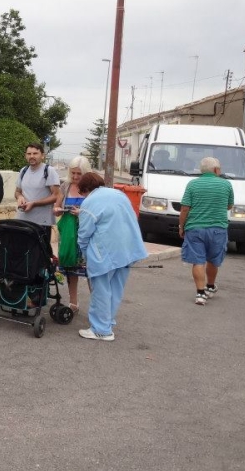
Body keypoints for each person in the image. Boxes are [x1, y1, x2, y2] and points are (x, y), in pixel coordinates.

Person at [76, 172, 148, 341]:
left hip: (104, 252)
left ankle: (101, 330)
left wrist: (85, 254)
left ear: (85, 189)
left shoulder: (89, 202)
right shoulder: (119, 194)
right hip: (128, 249)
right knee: (116, 289)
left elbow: (84, 234)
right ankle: (107, 322)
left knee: (100, 291)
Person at [178, 156, 234, 306]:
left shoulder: (192, 184)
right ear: (216, 170)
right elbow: (229, 206)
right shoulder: (226, 184)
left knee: (198, 261)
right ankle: (210, 286)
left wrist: (181, 226)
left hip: (195, 228)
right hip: (218, 229)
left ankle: (200, 294)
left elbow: (185, 209)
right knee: (213, 260)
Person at [53, 156, 92, 314]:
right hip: (68, 234)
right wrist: (57, 210)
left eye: (79, 174)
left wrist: (81, 213)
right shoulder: (65, 186)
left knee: (91, 270)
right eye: (73, 173)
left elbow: (98, 211)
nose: (75, 177)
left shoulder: (92, 189)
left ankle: (97, 305)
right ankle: (73, 302)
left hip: (86, 233)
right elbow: (56, 207)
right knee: (71, 269)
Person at [15, 142, 61, 248]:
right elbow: (17, 191)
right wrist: (20, 197)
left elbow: (56, 195)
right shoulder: (23, 171)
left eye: (35, 153)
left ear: (42, 155)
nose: (32, 156)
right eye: (29, 154)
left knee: (41, 254)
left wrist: (34, 203)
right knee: (24, 253)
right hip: (23, 221)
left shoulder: (48, 171)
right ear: (25, 155)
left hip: (42, 223)